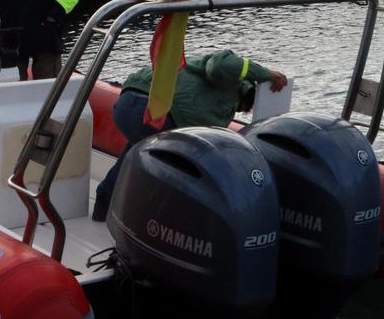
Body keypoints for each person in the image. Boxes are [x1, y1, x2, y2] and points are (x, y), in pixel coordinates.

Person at [91, 50, 288, 221]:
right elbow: (222, 63)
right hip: (156, 109)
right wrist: (266, 74)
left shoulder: (196, 69)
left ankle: (104, 198)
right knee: (171, 164)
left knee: (136, 146)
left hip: (128, 102)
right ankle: (156, 220)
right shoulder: (230, 81)